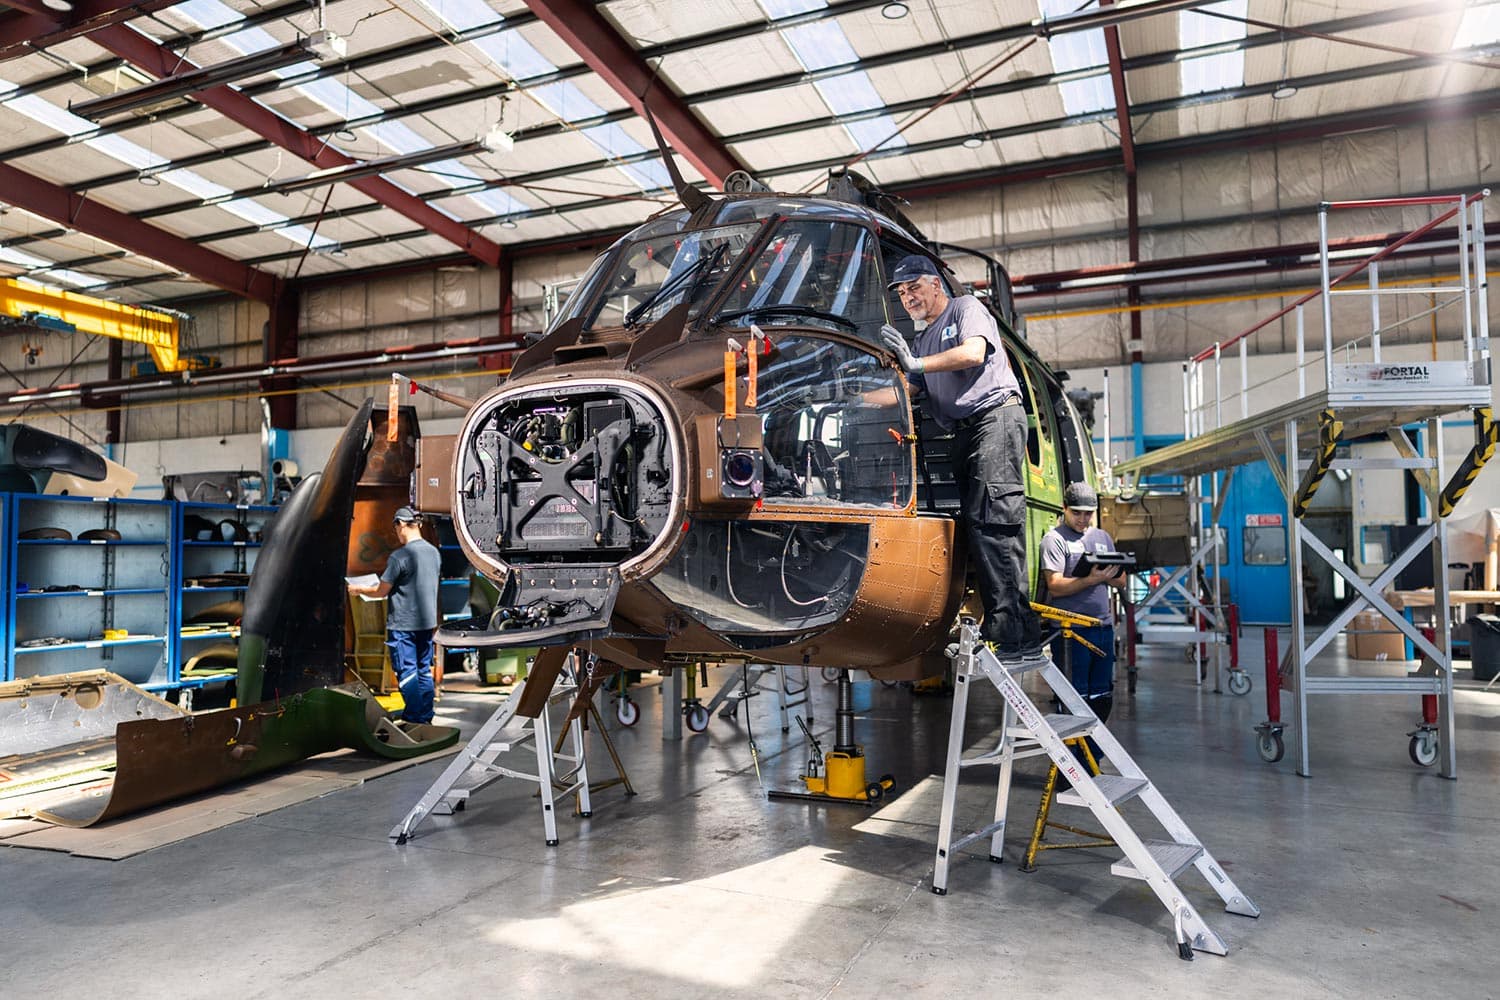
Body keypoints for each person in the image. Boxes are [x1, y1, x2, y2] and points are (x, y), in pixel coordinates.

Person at [878, 254, 1043, 660]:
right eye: (901, 292)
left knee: (994, 522)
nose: (907, 297)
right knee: (977, 527)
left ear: (936, 284)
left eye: (913, 286)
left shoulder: (966, 309)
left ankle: (1014, 635)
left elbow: (972, 354)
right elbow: (908, 389)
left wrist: (915, 362)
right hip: (964, 430)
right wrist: (850, 400)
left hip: (995, 418)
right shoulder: (921, 340)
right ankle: (1004, 624)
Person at [1039, 482, 1127, 724]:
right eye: (1076, 512)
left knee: (1101, 695)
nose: (1082, 518)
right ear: (1064, 508)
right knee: (1073, 697)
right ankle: (1073, 757)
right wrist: (1091, 579)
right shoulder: (1054, 540)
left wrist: (1109, 576)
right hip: (1071, 633)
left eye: (1088, 513)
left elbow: (1122, 580)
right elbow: (1055, 585)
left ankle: (1092, 757)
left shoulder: (1102, 538)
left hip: (1102, 628)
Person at [348, 506, 441, 725]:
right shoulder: (434, 552)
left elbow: (381, 591)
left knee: (407, 672)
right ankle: (425, 717)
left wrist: (358, 589)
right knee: (423, 671)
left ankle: (415, 719)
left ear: (400, 525)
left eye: (396, 528)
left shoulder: (400, 556)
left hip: (403, 625)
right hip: (427, 623)